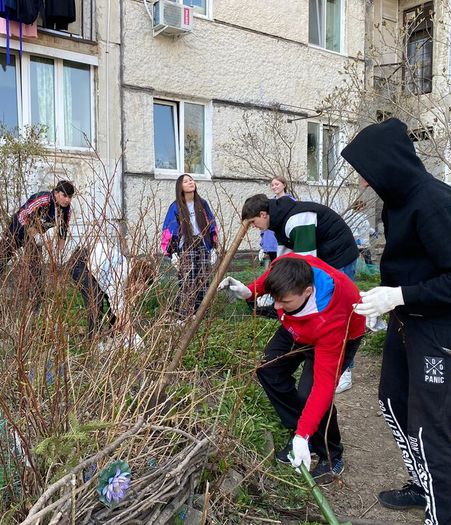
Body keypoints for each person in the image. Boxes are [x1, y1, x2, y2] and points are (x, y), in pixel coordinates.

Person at [341, 118, 451, 525]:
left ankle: (440, 516)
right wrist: (384, 302)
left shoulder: (434, 203)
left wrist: (399, 295)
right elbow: (407, 261)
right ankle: (421, 485)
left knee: (430, 426)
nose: (364, 183)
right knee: (391, 401)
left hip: (436, 329)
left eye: (367, 173)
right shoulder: (397, 199)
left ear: (388, 164)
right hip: (407, 321)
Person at [218, 255, 365, 483]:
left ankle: (331, 455)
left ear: (307, 292)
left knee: (311, 395)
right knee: (269, 368)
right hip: (296, 322)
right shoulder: (287, 266)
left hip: (336, 332)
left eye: (283, 301)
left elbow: (323, 386)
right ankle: (301, 431)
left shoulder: (331, 319)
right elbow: (269, 281)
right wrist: (250, 291)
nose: (276, 306)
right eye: (275, 299)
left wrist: (304, 433)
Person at [241, 193, 359, 392]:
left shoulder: (297, 219)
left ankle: (343, 368)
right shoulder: (278, 223)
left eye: (253, 222)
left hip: (339, 258)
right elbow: (283, 262)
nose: (254, 227)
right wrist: (267, 289)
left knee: (340, 311)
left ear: (263, 214)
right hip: (323, 257)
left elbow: (305, 263)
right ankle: (316, 347)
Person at [0, 181, 75, 305]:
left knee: (35, 267)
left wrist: (60, 250)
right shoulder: (43, 199)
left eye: (70, 197)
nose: (67, 200)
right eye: (65, 196)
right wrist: (31, 230)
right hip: (17, 231)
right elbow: (23, 214)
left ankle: (35, 301)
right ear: (56, 193)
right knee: (0, 263)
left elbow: (64, 227)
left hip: (34, 237)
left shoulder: (65, 209)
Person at [69, 238, 154, 345]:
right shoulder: (119, 276)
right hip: (81, 263)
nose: (139, 292)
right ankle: (93, 344)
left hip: (96, 265)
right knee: (95, 302)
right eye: (138, 288)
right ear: (137, 279)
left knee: (114, 305)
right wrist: (135, 337)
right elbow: (119, 308)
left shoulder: (129, 271)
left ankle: (112, 338)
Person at [161, 174, 218, 319]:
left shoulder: (202, 204)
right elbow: (169, 229)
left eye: (191, 180)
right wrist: (172, 252)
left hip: (202, 243)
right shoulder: (176, 207)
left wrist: (213, 247)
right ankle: (184, 314)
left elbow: (211, 224)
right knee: (187, 279)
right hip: (185, 244)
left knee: (203, 278)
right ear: (180, 187)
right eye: (186, 181)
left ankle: (200, 314)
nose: (190, 182)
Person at [258, 176, 294, 264]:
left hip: (284, 243)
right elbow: (264, 224)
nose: (274, 187)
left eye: (277, 184)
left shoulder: (292, 202)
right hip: (270, 244)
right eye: (272, 185)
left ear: (284, 185)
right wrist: (263, 244)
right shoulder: (269, 204)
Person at [342, 199, 374, 266]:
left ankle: (371, 273)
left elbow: (366, 227)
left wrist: (373, 232)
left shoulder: (363, 216)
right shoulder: (354, 217)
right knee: (355, 260)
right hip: (357, 243)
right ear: (358, 207)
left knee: (368, 259)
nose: (363, 208)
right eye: (362, 206)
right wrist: (357, 239)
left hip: (364, 242)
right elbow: (354, 229)